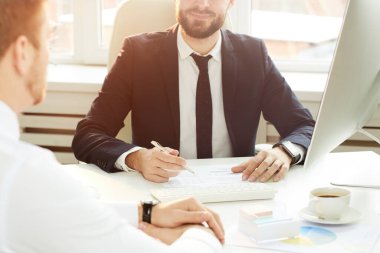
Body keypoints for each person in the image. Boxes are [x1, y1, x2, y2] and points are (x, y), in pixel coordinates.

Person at [0, 0, 224, 252]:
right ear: (22, 53)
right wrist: (200, 231)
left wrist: (145, 213)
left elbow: (54, 211)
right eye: (49, 39)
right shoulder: (28, 173)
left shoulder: (19, 175)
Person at [72, 0, 315, 183]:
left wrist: (285, 153)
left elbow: (303, 126)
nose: (202, 4)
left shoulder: (252, 54)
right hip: (162, 191)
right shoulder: (138, 53)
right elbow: (88, 135)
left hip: (236, 185)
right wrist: (137, 158)